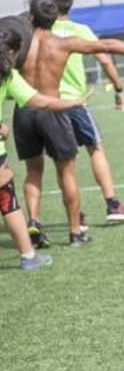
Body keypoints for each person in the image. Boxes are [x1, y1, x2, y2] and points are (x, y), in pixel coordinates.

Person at [15, 0, 124, 247]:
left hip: (24, 111)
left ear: (30, 17)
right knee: (67, 171)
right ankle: (75, 232)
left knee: (33, 171)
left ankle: (34, 222)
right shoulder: (63, 44)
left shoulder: (18, 46)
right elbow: (105, 45)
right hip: (52, 108)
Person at [48, 0, 124, 229]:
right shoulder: (80, 30)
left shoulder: (42, 33)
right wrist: (118, 89)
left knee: (64, 163)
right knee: (95, 149)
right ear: (70, 3)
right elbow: (105, 58)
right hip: (76, 102)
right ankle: (112, 205)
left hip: (50, 105)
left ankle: (77, 216)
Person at [0, 27, 85, 269]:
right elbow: (41, 101)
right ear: (14, 52)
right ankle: (28, 257)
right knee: (8, 203)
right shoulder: (8, 75)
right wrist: (72, 102)